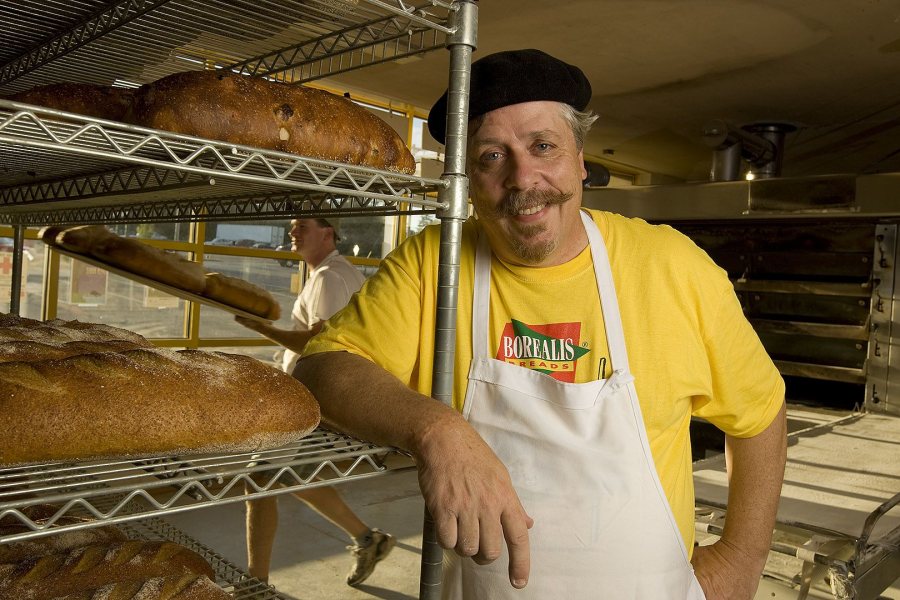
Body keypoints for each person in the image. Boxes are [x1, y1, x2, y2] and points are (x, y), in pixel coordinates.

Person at [295, 49, 787, 600]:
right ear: (470, 178)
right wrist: (437, 430)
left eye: (543, 146)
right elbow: (321, 369)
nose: (522, 177)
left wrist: (742, 558)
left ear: (580, 157)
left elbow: (761, 413)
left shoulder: (672, 266)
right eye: (491, 156)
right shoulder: (435, 263)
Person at [235, 217, 395, 587]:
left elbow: (318, 346)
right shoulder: (331, 273)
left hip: (316, 400)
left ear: (327, 234)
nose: (293, 232)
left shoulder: (328, 279)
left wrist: (262, 328)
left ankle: (254, 585)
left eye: (302, 226)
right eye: (292, 226)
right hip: (316, 397)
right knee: (284, 477)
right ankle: (368, 540)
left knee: (259, 480)